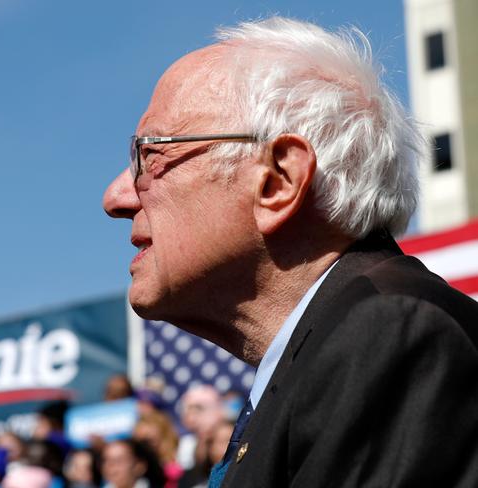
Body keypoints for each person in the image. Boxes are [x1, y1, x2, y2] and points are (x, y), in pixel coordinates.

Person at [103, 15, 478, 487]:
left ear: (278, 182)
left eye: (149, 155)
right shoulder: (325, 355)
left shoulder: (387, 336)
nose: (116, 197)